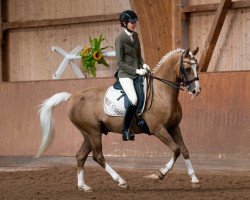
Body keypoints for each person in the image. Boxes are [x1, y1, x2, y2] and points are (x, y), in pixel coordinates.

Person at [115, 10, 151, 141]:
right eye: (131, 22)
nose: (134, 24)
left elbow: (138, 56)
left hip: (138, 71)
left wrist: (144, 65)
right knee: (134, 100)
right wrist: (136, 71)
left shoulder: (135, 36)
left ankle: (142, 120)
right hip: (125, 75)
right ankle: (125, 130)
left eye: (135, 22)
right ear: (124, 23)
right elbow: (120, 63)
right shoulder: (120, 39)